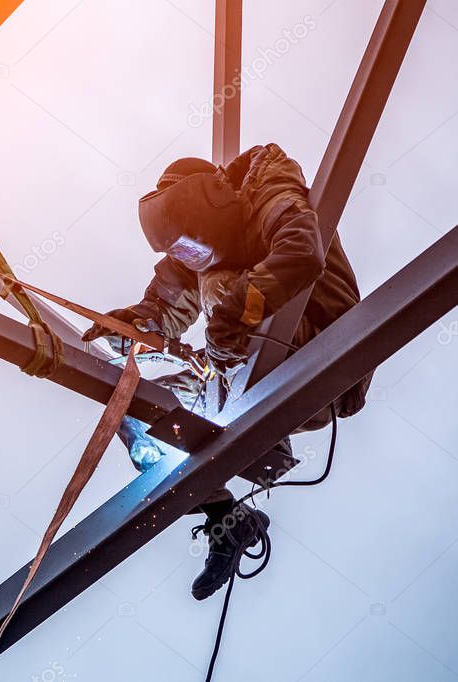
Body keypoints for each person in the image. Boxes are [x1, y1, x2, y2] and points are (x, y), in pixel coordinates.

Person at [82, 144, 371, 600]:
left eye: (191, 247)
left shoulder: (268, 190)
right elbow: (166, 303)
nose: (193, 259)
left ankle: (255, 396)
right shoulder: (200, 250)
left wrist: (233, 317)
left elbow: (301, 253)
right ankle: (225, 518)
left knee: (218, 285)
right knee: (138, 408)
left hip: (324, 347)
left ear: (210, 205)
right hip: (259, 369)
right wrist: (137, 325)